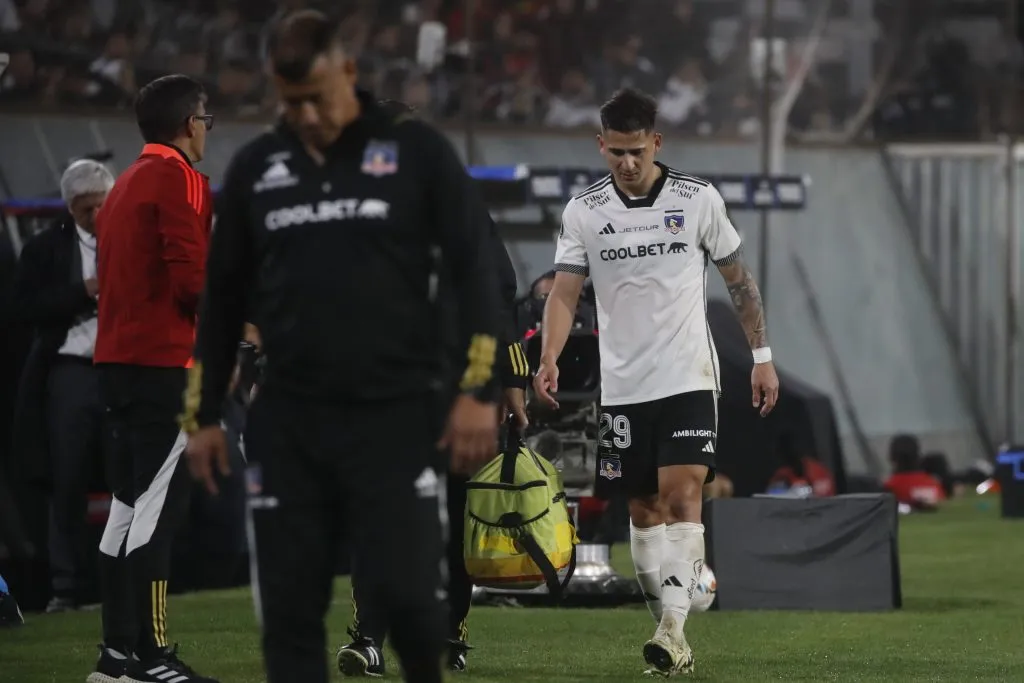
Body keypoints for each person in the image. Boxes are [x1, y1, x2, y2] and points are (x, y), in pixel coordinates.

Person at [180, 11, 502, 683]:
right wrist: (202, 413)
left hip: (396, 415)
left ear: (348, 72)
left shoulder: (417, 154)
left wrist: (480, 389)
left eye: (317, 98)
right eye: (290, 100)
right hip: (290, 420)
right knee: (289, 614)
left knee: (413, 601)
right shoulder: (257, 167)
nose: (306, 115)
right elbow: (222, 299)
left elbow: (478, 274)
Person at [533, 88, 779, 676]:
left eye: (637, 151)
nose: (627, 162)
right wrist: (548, 358)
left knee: (681, 496)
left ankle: (673, 632)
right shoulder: (584, 211)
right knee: (643, 512)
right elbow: (564, 294)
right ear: (600, 145)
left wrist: (762, 356)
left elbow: (739, 282)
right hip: (623, 386)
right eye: (616, 151)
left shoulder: (697, 199)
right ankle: (676, 618)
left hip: (688, 374)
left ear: (657, 143)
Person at [334, 98, 530, 678]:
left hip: (455, 390)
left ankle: (449, 634)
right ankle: (369, 638)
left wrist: (510, 378)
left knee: (455, 518)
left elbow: (497, 292)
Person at [89, 74, 217, 683]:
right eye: (206, 119)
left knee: (124, 509)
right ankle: (151, 655)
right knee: (155, 514)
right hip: (165, 366)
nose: (207, 131)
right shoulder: (179, 178)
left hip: (115, 365)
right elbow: (193, 281)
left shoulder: (121, 186)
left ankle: (115, 655)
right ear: (189, 124)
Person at [9, 159, 113, 613]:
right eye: (88, 208)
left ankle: (131, 581)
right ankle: (68, 587)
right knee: (67, 480)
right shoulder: (45, 249)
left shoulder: (134, 240)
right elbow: (21, 308)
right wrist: (83, 291)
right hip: (71, 372)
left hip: (124, 369)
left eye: (103, 205)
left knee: (131, 479)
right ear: (70, 207)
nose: (97, 215)